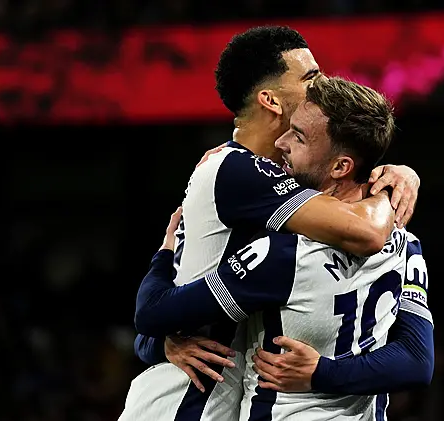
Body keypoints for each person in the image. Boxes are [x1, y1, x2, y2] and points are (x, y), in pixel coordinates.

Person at [119, 27, 421, 421]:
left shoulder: (269, 174)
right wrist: (395, 185)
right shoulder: (237, 171)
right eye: (310, 77)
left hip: (216, 395)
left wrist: (157, 342)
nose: (322, 84)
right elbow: (367, 232)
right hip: (182, 402)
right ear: (271, 100)